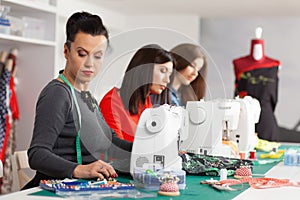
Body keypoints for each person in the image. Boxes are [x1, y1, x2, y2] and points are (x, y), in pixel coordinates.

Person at [23, 11, 132, 189]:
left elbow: (110, 142)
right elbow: (37, 154)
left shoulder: (87, 97)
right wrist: (80, 170)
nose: (90, 63)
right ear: (66, 51)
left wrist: (150, 147)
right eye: (82, 54)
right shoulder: (57, 94)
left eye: (98, 56)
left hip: (85, 189)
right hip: (56, 192)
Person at [99, 44, 174, 142]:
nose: (167, 80)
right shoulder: (112, 102)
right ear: (144, 69)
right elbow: (116, 150)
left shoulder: (145, 101)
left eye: (169, 75)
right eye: (162, 71)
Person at [233, 27, 281, 141]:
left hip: (266, 118)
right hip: (244, 116)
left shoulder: (274, 65)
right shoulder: (239, 64)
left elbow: (274, 96)